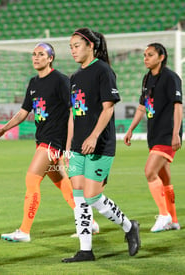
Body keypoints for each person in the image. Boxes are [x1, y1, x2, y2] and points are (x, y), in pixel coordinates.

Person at [0, 42, 99, 243]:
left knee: (32, 180)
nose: (36, 57)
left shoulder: (60, 80)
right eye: (33, 54)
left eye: (41, 54)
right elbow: (24, 112)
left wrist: (68, 146)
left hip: (54, 141)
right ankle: (89, 222)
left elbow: (72, 111)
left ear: (50, 58)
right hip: (43, 139)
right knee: (62, 182)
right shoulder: (33, 83)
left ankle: (24, 230)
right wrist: (4, 128)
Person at [62, 27, 140, 263]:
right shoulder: (74, 78)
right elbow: (73, 115)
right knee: (78, 197)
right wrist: (67, 147)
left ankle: (129, 226)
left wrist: (94, 136)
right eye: (71, 47)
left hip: (100, 144)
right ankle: (86, 250)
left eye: (77, 45)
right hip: (77, 146)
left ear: (90, 46)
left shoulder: (103, 71)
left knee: (92, 196)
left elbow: (109, 108)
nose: (73, 50)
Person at [124, 43, 182, 232]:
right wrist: (131, 128)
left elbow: (177, 106)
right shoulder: (147, 78)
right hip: (154, 133)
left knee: (149, 172)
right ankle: (173, 220)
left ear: (161, 57)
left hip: (167, 133)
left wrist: (176, 133)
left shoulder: (171, 78)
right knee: (164, 179)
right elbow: (142, 106)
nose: (145, 58)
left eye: (150, 55)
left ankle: (163, 214)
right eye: (144, 55)